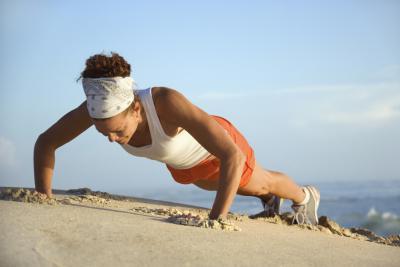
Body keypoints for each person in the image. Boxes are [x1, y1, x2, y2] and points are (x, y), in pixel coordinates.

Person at [34, 52, 320, 224]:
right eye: (102, 132)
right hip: (184, 166)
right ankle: (270, 200)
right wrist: (43, 197)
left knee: (259, 181)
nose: (111, 139)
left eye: (118, 131)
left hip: (219, 147)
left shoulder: (166, 102)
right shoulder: (97, 110)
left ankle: (304, 197)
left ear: (136, 109)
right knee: (225, 186)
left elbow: (232, 156)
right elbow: (46, 142)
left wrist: (216, 221)